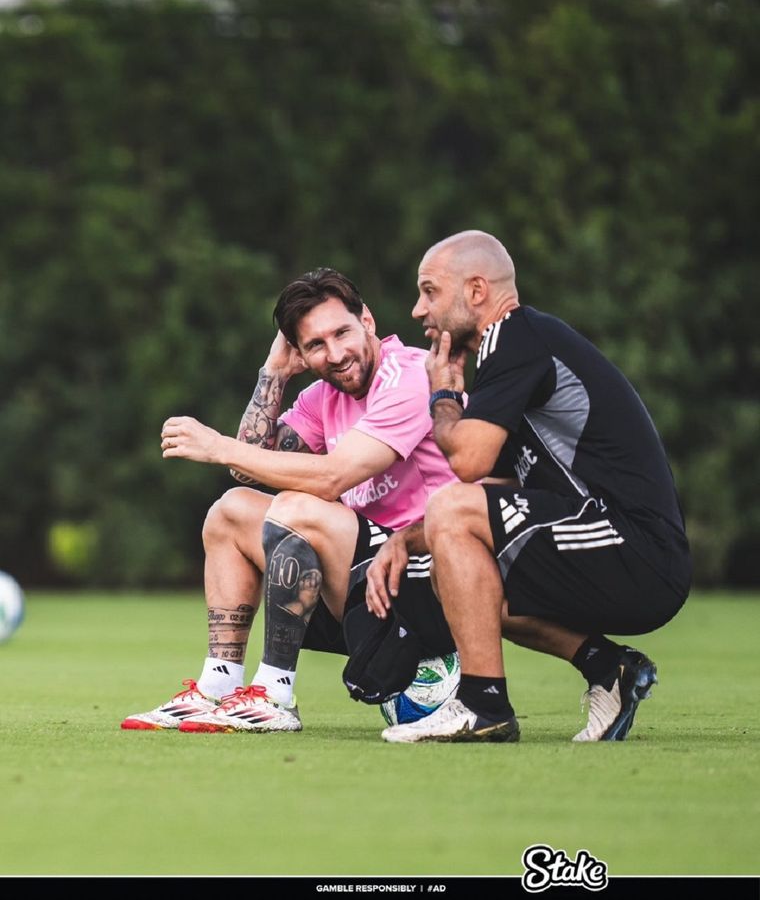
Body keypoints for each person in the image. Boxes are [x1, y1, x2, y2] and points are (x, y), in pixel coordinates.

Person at [372, 230, 690, 744]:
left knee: (452, 513)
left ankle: (482, 705)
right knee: (465, 585)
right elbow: (499, 484)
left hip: (637, 548)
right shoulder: (513, 352)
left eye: (429, 291)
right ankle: (609, 668)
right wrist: (402, 541)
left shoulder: (516, 336)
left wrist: (445, 395)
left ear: (477, 291)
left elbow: (469, 466)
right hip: (617, 545)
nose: (416, 310)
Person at [121, 269, 456, 733]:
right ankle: (217, 687)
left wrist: (217, 445)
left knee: (295, 509)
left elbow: (334, 476)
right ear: (299, 353)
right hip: (367, 584)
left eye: (342, 332)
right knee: (231, 510)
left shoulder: (410, 375)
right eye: (315, 345)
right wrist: (273, 372)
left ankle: (275, 695)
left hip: (435, 581)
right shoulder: (323, 397)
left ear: (369, 322)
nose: (335, 354)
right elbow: (247, 469)